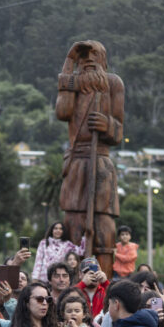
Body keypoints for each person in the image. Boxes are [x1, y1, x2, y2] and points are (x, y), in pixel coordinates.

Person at [55, 40, 124, 278]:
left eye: (94, 54)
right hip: (76, 162)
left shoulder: (113, 84)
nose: (89, 60)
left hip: (101, 162)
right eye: (83, 56)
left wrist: (108, 125)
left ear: (103, 59)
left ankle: (103, 285)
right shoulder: (72, 84)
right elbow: (62, 112)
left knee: (104, 230)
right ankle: (74, 285)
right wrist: (69, 61)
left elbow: (119, 131)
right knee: (73, 228)